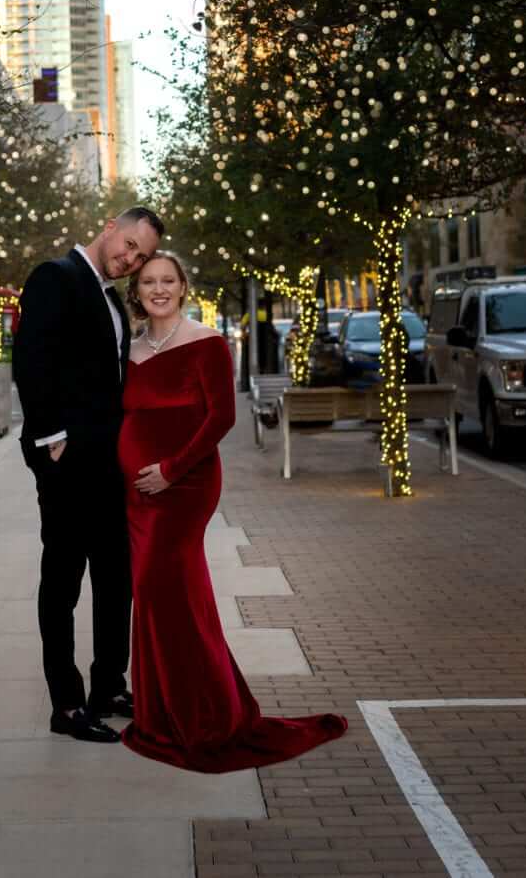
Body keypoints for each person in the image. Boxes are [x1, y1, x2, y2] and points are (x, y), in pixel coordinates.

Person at [119, 251, 348, 771]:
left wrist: (171, 470)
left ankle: (205, 715)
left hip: (184, 487)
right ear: (138, 290)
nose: (158, 289)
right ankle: (160, 715)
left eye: (167, 281)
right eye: (148, 281)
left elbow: (221, 418)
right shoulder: (128, 349)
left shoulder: (207, 343)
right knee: (159, 599)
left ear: (182, 287)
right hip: (135, 495)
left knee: (163, 589)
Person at [12, 207, 166, 743]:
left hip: (109, 465)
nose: (131, 259)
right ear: (108, 228)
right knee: (63, 584)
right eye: (128, 245)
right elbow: (31, 360)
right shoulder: (56, 276)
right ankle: (67, 705)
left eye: (141, 256)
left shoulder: (111, 299)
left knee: (114, 579)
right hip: (68, 464)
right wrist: (50, 440)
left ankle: (108, 685)